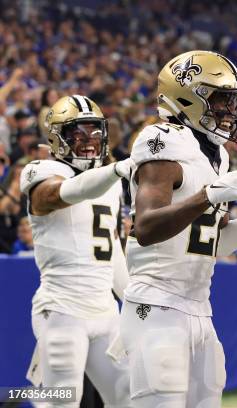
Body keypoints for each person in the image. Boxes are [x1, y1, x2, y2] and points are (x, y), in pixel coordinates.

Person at [120, 50, 237, 408]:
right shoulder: (162, 139)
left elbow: (218, 243)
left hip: (200, 307)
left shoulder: (218, 154)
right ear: (187, 98)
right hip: (156, 304)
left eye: (231, 102)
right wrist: (208, 194)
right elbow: (146, 227)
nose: (228, 112)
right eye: (220, 101)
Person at [19, 95, 133, 407]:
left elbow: (113, 255)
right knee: (63, 400)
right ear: (57, 137)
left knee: (129, 396)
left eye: (96, 133)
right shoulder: (41, 170)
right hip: (62, 309)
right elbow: (63, 194)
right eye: (78, 134)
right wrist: (116, 170)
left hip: (106, 311)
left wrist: (134, 304)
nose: (89, 142)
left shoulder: (110, 184)